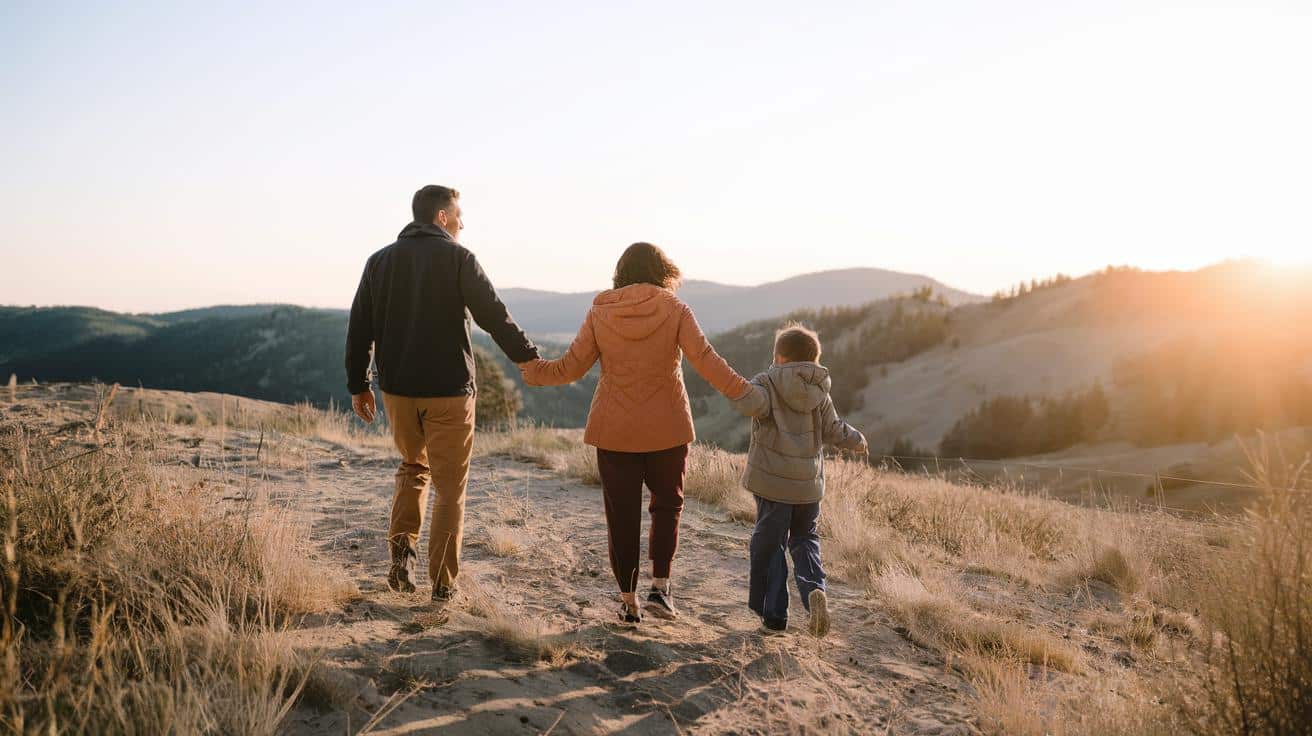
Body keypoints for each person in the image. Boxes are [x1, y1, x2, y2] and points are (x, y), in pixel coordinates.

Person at [519, 243, 751, 624]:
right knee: (667, 506)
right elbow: (705, 359)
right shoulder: (675, 308)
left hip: (614, 431)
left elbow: (570, 368)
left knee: (621, 516)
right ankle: (661, 588)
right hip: (669, 428)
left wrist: (533, 370)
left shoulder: (600, 311)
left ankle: (629, 602)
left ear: (621, 273)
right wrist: (746, 394)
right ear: (663, 271)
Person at [345, 185, 539, 602]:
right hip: (450, 390)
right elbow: (494, 316)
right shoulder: (458, 258)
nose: (463, 223)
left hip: (397, 390)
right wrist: (527, 358)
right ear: (441, 217)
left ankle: (401, 558)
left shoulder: (378, 262)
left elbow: (359, 326)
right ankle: (443, 584)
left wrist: (359, 384)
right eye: (458, 215)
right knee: (450, 488)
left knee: (413, 468)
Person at [729, 323, 867, 636]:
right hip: (808, 487)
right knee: (805, 538)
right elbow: (834, 430)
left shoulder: (767, 381)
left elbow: (747, 404)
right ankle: (814, 590)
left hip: (773, 486)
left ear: (779, 356)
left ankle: (775, 616)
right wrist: (856, 439)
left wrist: (734, 386)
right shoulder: (820, 390)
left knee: (771, 544)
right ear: (814, 360)